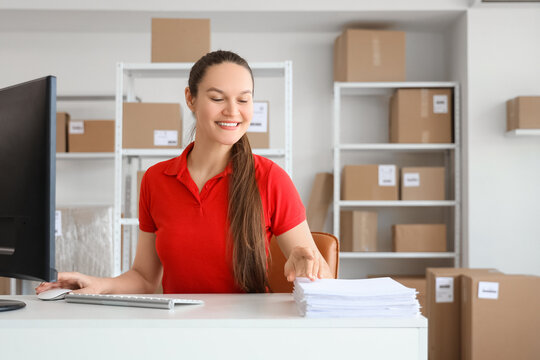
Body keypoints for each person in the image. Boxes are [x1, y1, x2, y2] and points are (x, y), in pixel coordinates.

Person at [36, 50, 332, 295]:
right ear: (190, 99)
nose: (233, 111)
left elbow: (323, 282)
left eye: (243, 99)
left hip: (248, 333)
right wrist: (100, 284)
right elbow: (146, 277)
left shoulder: (270, 178)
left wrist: (309, 267)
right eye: (217, 98)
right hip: (176, 331)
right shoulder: (155, 180)